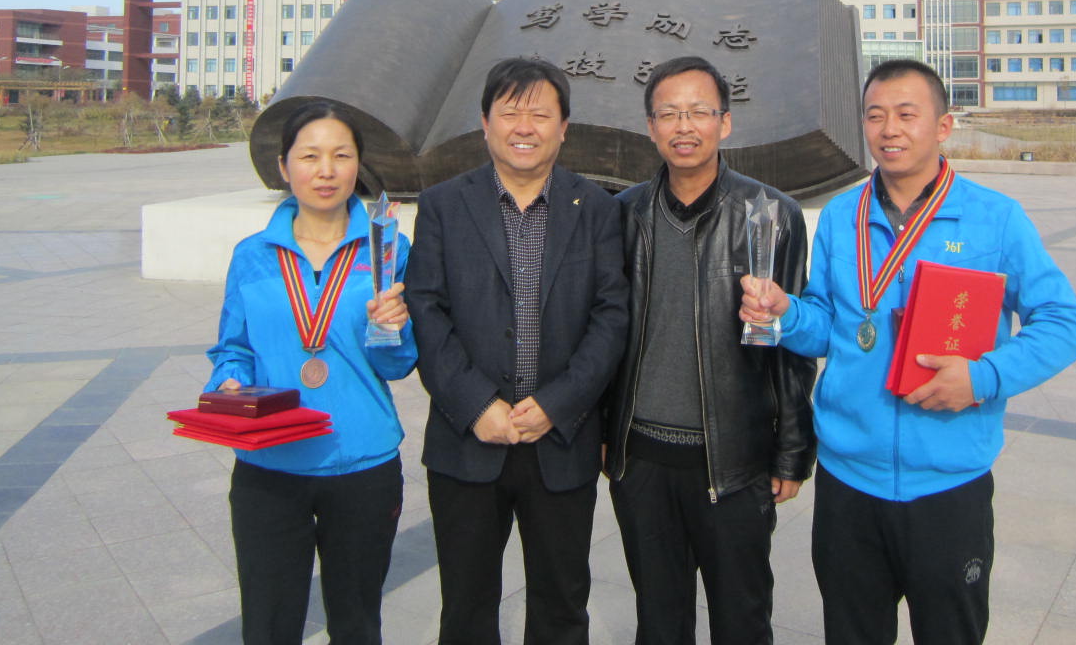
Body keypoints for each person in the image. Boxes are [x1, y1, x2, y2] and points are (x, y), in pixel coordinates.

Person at [741, 59, 1076, 645]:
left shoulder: (994, 218)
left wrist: (983, 377)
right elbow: (828, 326)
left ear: (943, 126)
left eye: (907, 114)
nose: (890, 129)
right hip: (849, 483)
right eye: (875, 116)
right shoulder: (844, 216)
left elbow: (1064, 322)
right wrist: (784, 314)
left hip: (948, 486)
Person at [405, 56, 629, 645]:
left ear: (564, 127)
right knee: (466, 608)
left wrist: (558, 403)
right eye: (510, 113)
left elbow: (611, 317)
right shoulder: (443, 205)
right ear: (485, 123)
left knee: (562, 607)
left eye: (540, 114)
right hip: (468, 440)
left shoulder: (597, 209)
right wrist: (477, 404)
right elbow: (426, 311)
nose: (524, 127)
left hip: (560, 440)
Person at [605, 56, 816, 645]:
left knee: (742, 620)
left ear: (725, 122)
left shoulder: (772, 215)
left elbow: (793, 347)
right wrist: (603, 431)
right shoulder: (623, 215)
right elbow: (607, 333)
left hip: (734, 461)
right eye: (669, 113)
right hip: (642, 461)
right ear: (650, 126)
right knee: (659, 622)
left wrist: (792, 451)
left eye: (699, 111)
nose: (684, 126)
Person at [206, 100, 416, 645]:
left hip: (362, 464)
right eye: (310, 156)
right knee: (269, 625)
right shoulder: (252, 255)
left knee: (356, 624)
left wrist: (392, 329)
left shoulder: (388, 249)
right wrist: (228, 383)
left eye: (341, 156)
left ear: (358, 166)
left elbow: (397, 365)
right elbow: (233, 348)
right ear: (284, 166)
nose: (326, 170)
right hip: (269, 466)